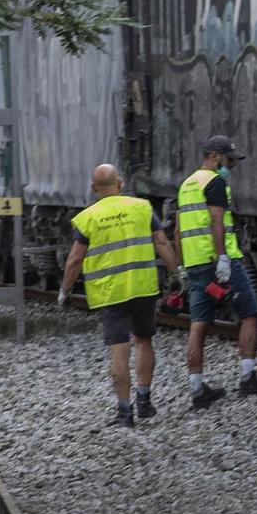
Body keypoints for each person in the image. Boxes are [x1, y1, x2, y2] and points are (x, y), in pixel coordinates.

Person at [58, 163, 179, 427]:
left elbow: (74, 259)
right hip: (143, 287)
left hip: (110, 292)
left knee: (119, 349)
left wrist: (65, 291)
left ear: (93, 188)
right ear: (121, 183)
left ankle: (125, 412)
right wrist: (175, 273)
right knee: (144, 341)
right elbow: (161, 242)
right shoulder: (142, 208)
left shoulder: (88, 217)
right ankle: (145, 400)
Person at [179, 135, 257, 397]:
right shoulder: (214, 182)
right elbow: (216, 221)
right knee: (250, 314)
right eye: (229, 160)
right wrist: (223, 258)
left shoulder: (187, 184)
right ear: (214, 156)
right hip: (218, 262)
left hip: (195, 264)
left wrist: (182, 265)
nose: (232, 166)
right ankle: (248, 379)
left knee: (198, 323)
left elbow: (178, 229)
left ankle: (196, 388)